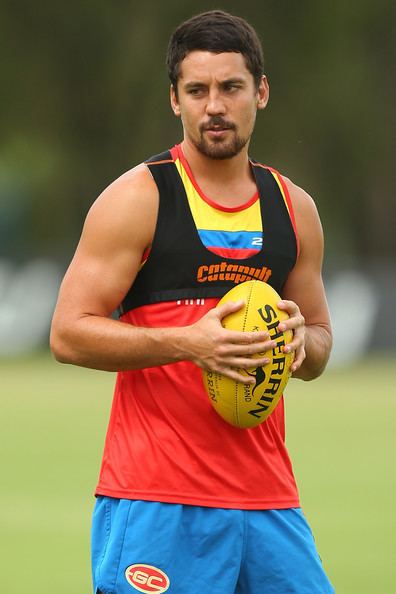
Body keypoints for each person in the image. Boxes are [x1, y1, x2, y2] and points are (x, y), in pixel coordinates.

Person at [50, 10, 334, 594]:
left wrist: (299, 341)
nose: (215, 107)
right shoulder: (137, 198)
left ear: (261, 92)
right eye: (197, 90)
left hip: (269, 501)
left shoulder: (293, 208)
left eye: (230, 88)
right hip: (156, 500)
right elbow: (67, 333)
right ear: (175, 100)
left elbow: (322, 345)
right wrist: (187, 342)